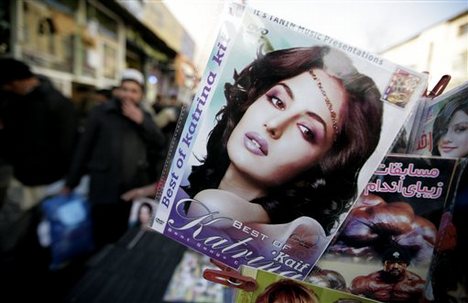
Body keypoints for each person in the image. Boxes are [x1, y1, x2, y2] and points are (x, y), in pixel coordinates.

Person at [185, 46, 383, 235]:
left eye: (306, 130)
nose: (274, 125)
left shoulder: (213, 207)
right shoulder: (192, 184)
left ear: (323, 165)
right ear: (252, 99)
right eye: (277, 101)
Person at [62, 68, 165, 248]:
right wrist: (71, 182)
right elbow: (83, 149)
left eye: (134, 91)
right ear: (117, 91)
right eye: (124, 89)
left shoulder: (144, 116)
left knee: (125, 234)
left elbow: (159, 143)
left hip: (132, 188)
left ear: (140, 95)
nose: (128, 95)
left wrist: (142, 121)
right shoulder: (100, 113)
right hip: (104, 185)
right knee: (100, 234)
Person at [0, 58, 77, 209]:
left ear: (16, 82)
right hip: (21, 178)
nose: (7, 90)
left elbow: (69, 145)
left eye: (8, 86)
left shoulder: (57, 103)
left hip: (49, 182)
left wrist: (69, 182)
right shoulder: (12, 101)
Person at [350, 246, 425, 302]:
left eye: (400, 263)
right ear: (384, 264)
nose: (395, 266)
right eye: (391, 262)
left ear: (406, 265)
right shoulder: (367, 282)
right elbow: (347, 296)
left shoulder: (417, 284)